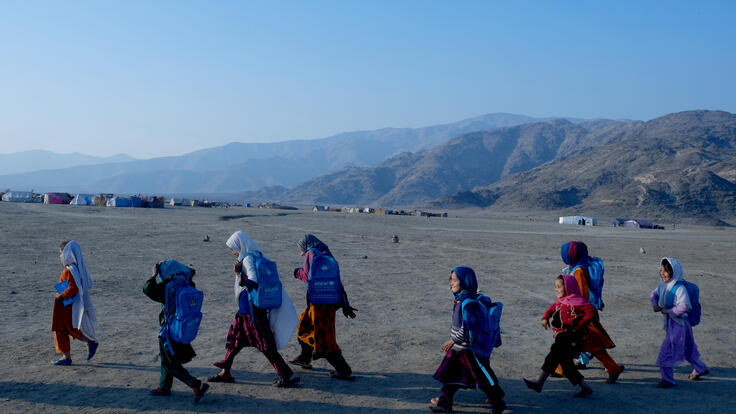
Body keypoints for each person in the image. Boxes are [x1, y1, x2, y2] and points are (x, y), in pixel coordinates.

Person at [208, 231, 299, 387]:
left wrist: (238, 274)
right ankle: (225, 372)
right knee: (234, 341)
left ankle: (285, 375)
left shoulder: (248, 259)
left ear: (240, 245)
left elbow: (253, 282)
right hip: (245, 312)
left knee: (265, 346)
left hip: (251, 313)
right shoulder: (251, 257)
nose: (232, 252)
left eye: (233, 248)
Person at [430, 267, 506, 413]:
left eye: (455, 280)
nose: (451, 283)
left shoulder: (467, 303)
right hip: (462, 349)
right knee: (452, 378)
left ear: (466, 281)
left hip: (464, 350)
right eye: (451, 279)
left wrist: (452, 340)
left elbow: (467, 328)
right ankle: (445, 403)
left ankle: (497, 402)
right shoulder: (462, 300)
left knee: (478, 378)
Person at [289, 234, 356, 380]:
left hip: (318, 305)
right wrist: (344, 302)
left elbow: (307, 277)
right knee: (305, 327)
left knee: (324, 339)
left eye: (301, 249)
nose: (301, 252)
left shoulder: (310, 253)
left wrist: (297, 272)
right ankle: (304, 358)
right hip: (329, 302)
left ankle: (343, 370)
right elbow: (336, 280)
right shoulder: (325, 253)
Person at [143, 261, 209, 403]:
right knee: (166, 358)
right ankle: (164, 387)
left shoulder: (167, 286)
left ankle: (195, 384)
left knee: (169, 363)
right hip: (182, 327)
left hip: (168, 330)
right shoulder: (188, 284)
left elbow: (147, 289)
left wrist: (153, 275)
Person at [523, 275, 596, 398]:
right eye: (555, 287)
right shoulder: (560, 302)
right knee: (567, 367)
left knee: (553, 354)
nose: (556, 289)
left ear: (568, 287)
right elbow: (551, 309)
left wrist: (578, 324)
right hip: (562, 336)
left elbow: (591, 312)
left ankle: (539, 383)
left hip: (572, 338)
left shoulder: (578, 302)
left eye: (559, 287)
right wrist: (545, 318)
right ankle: (586, 388)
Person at [651, 257, 708, 388]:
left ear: (674, 272)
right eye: (661, 270)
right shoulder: (663, 285)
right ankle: (700, 369)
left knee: (667, 351)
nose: (663, 274)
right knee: (688, 349)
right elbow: (653, 294)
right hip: (675, 324)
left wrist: (668, 311)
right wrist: (655, 305)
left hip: (680, 324)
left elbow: (685, 306)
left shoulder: (679, 288)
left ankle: (668, 380)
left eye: (666, 271)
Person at [51, 240, 98, 365]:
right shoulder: (73, 269)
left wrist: (60, 295)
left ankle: (67, 356)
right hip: (66, 304)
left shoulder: (70, 270)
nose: (60, 256)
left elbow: (73, 288)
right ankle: (87, 344)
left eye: (61, 253)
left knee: (61, 328)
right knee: (68, 328)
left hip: (66, 305)